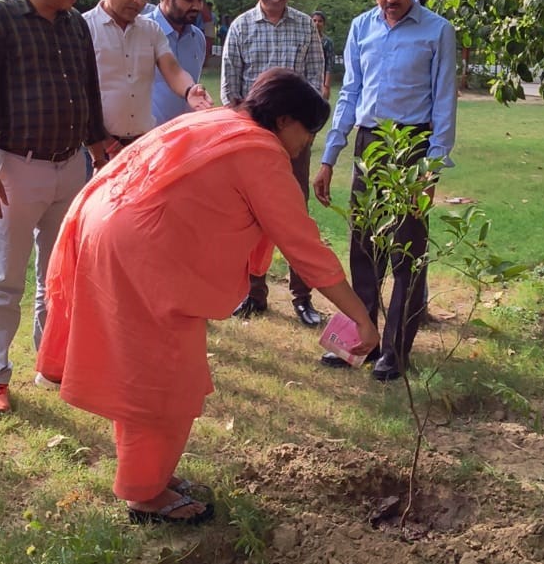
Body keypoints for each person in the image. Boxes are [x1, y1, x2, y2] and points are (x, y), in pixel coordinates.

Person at [36, 70, 379, 525]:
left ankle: (150, 474)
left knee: (145, 373)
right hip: (138, 255)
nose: (305, 145)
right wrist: (361, 317)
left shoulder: (216, 121)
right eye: (307, 132)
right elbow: (305, 248)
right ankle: (144, 494)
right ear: (283, 120)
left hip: (108, 230)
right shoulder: (259, 150)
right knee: (166, 382)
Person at [0, 0, 107, 418]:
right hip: (15, 168)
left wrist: (98, 153)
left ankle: (51, 362)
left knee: (59, 274)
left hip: (69, 166)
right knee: (5, 278)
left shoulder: (74, 25)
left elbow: (88, 92)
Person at [313, 0, 458, 382]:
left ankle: (395, 351)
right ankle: (358, 341)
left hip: (412, 146)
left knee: (406, 252)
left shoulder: (438, 31)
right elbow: (350, 95)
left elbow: (444, 103)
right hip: (370, 144)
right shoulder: (361, 28)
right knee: (363, 249)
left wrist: (430, 170)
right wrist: (329, 157)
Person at [221, 0, 325, 327]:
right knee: (248, 216)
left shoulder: (305, 27)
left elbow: (315, 84)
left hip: (293, 145)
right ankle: (252, 292)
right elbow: (230, 90)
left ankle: (302, 296)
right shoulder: (241, 28)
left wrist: (302, 134)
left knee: (295, 217)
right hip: (250, 143)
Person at [83, 0, 211, 155]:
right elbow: (79, 96)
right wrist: (102, 145)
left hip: (143, 146)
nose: (139, 1)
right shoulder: (84, 29)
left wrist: (190, 90)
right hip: (97, 147)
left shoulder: (150, 30)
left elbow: (173, 70)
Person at [144, 0, 208, 126]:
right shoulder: (140, 31)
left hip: (184, 135)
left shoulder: (197, 38)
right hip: (146, 136)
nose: (197, 7)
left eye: (200, 0)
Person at [311, 11, 335, 99]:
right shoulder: (305, 39)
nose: (317, 23)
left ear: (324, 24)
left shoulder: (327, 42)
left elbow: (330, 65)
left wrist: (326, 86)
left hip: (321, 81)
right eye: (314, 20)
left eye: (320, 21)